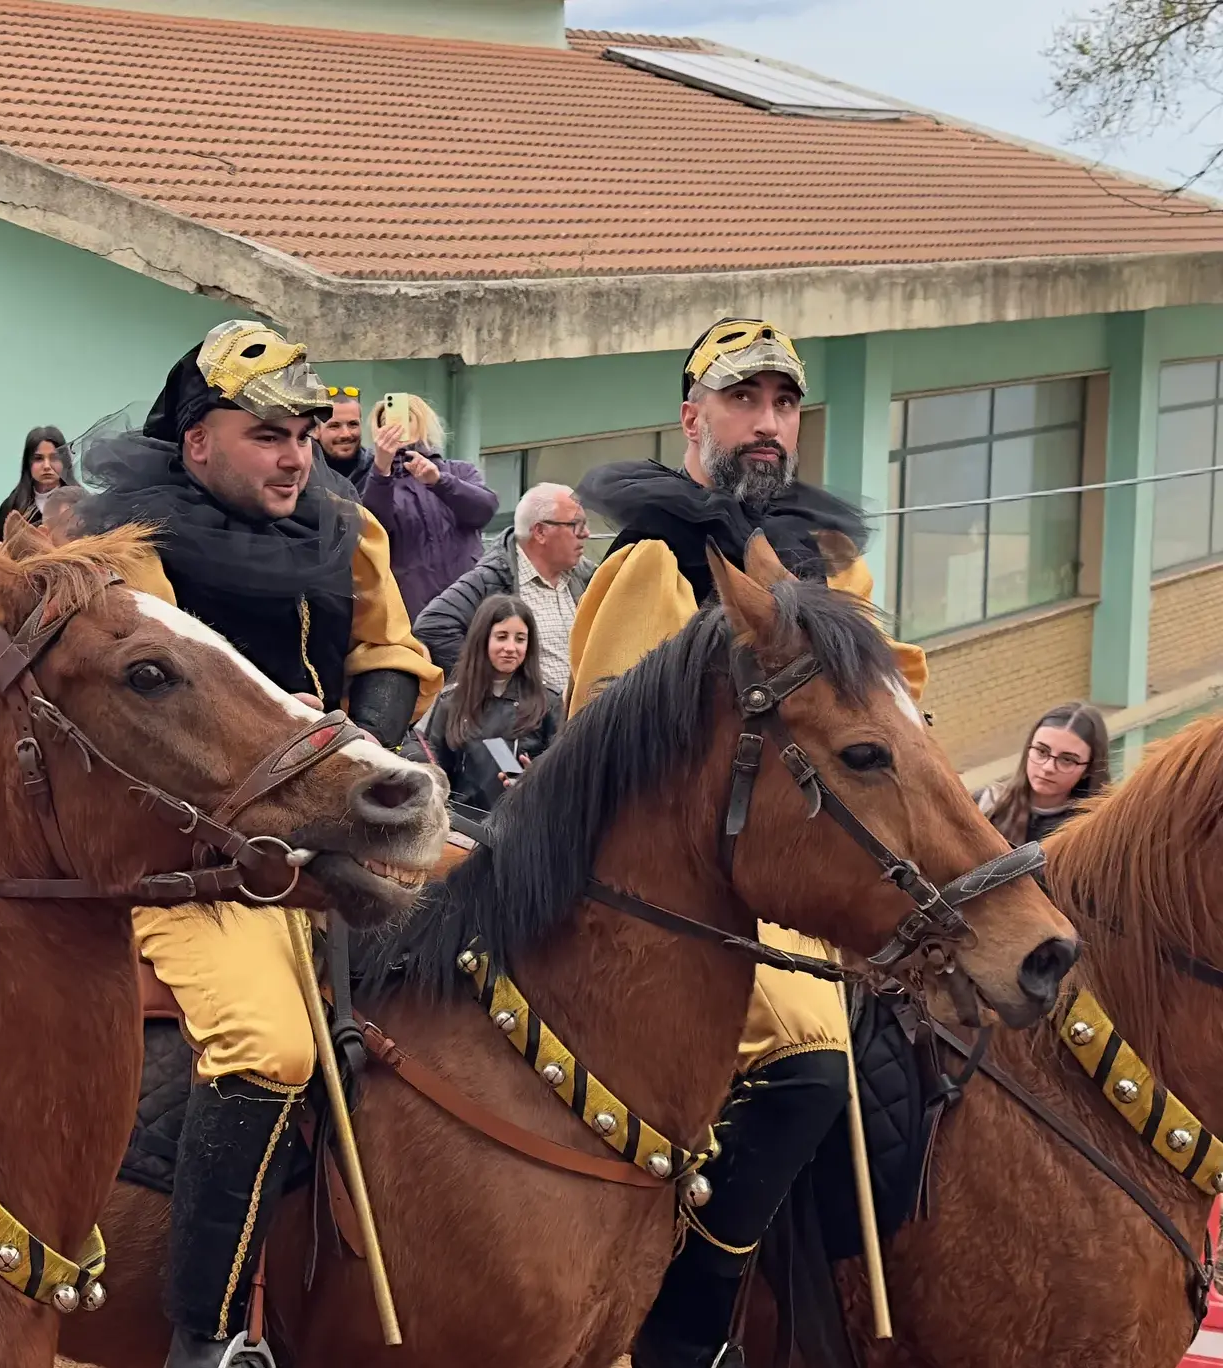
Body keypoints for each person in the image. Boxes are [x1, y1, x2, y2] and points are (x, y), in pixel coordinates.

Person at [74, 320, 440, 1368]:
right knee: (269, 1050)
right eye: (267, 435)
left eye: (304, 435)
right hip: (196, 859)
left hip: (341, 817)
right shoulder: (131, 552)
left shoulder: (346, 527)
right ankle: (205, 1335)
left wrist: (366, 744)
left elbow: (389, 649)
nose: (294, 458)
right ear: (197, 442)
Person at [569, 318, 926, 1368]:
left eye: (783, 404)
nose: (767, 424)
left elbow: (897, 703)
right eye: (743, 402)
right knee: (811, 1063)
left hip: (821, 866)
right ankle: (688, 1326)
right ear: (693, 419)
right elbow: (606, 741)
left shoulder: (833, 567)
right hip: (686, 891)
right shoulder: (652, 557)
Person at [412, 481, 594, 693]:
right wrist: (493, 688)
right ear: (540, 532)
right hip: (529, 713)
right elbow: (433, 626)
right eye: (576, 525)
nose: (586, 533)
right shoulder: (491, 579)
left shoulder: (588, 577)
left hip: (584, 711)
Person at [415, 594, 560, 817]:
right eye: (501, 637)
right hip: (462, 826)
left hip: (523, 823)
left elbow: (564, 776)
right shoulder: (450, 701)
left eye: (520, 639)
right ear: (482, 639)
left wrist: (537, 782)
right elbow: (436, 772)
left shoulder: (548, 702)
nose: (510, 647)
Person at [356, 392, 497, 617]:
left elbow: (484, 510)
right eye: (385, 422)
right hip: (414, 611)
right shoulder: (375, 484)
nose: (395, 425)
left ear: (421, 422)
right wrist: (381, 471)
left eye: (405, 418)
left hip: (471, 604)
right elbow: (374, 531)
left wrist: (440, 481)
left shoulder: (459, 471)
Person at [974, 702, 1111, 844]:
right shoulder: (985, 804)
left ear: (1089, 770)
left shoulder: (1095, 828)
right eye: (1041, 751)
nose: (1048, 767)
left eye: (1067, 760)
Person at [0, 425, 75, 529]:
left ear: (64, 461)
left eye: (54, 458)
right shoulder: (12, 506)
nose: (47, 466)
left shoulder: (81, 502)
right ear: (28, 463)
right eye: (38, 458)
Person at [313, 387, 370, 490]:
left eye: (353, 424)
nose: (345, 434)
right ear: (315, 430)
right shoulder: (300, 470)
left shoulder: (377, 469)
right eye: (334, 426)